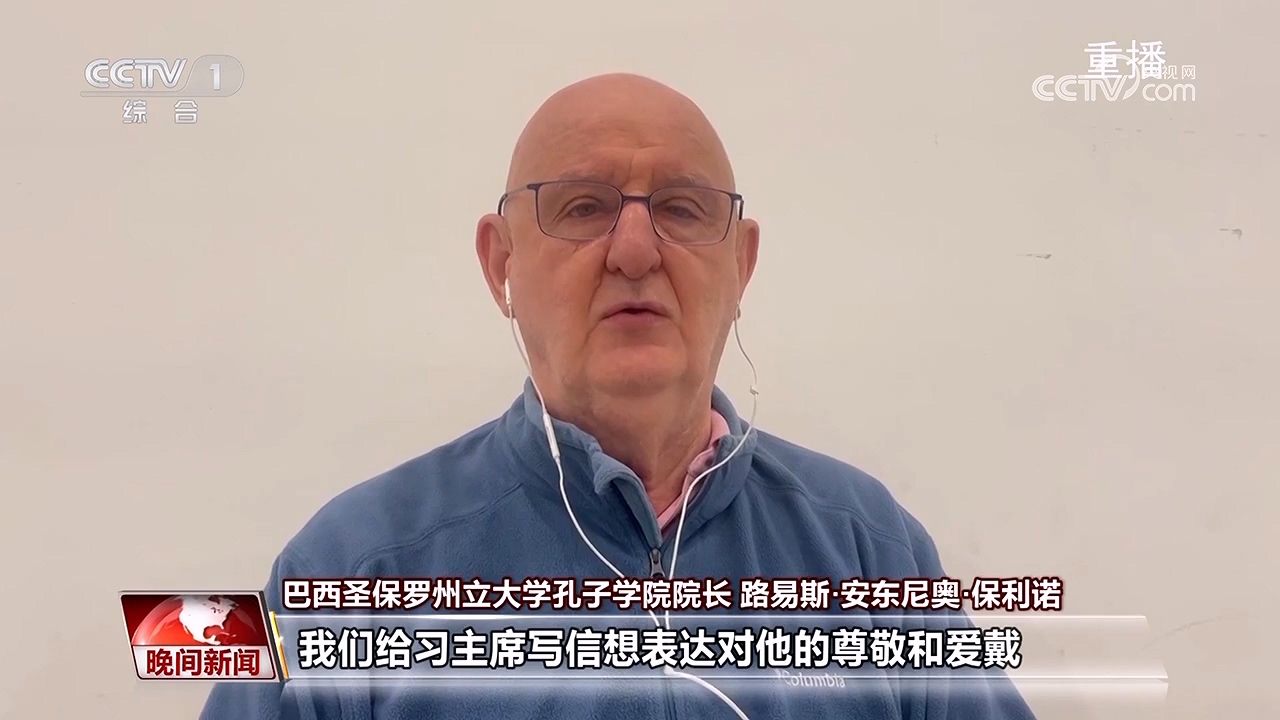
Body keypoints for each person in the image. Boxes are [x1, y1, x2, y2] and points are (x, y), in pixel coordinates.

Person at [201, 73, 1036, 719]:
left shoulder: (871, 555)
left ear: (741, 264)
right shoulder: (348, 571)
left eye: (682, 208)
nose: (635, 251)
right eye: (583, 207)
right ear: (501, 263)